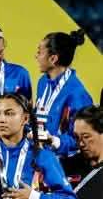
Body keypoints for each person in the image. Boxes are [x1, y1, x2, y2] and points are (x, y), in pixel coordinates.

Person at [33, 29, 92, 157]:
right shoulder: (43, 82)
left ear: (53, 58)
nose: (36, 56)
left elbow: (82, 138)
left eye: (39, 52)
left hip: (64, 164)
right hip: (41, 157)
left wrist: (54, 141)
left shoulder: (77, 94)